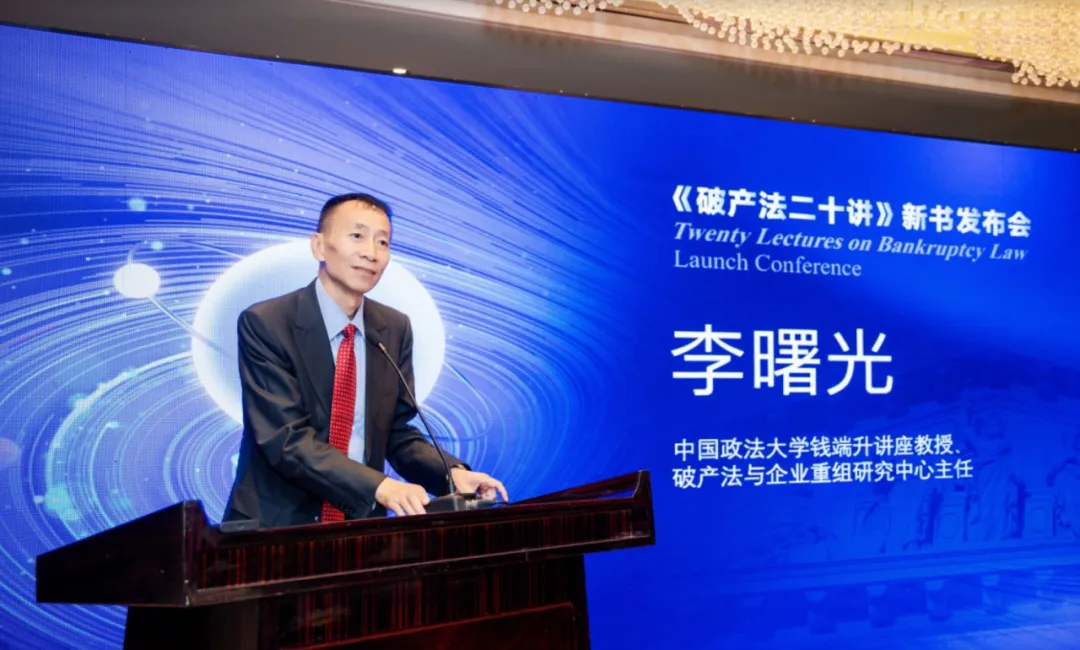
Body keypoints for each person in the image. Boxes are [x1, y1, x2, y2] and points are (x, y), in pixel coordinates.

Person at [222, 192, 507, 527]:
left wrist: (451, 475)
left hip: (361, 527)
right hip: (276, 525)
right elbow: (286, 439)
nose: (371, 253)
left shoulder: (393, 328)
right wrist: (380, 486)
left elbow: (396, 432)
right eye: (357, 236)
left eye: (382, 242)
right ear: (319, 246)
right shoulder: (267, 323)